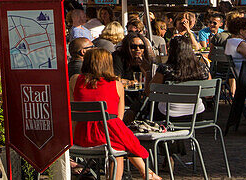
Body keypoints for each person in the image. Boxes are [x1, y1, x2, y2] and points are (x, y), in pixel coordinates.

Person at [70, 48, 159, 180]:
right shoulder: (116, 84)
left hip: (81, 135)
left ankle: (147, 173)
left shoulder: (75, 80)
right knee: (119, 144)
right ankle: (146, 172)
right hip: (106, 136)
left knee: (119, 140)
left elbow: (74, 111)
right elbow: (119, 118)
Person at [152, 34, 210, 118]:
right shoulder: (202, 68)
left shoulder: (165, 69)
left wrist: (147, 71)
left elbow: (149, 92)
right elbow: (209, 94)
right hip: (196, 113)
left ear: (171, 51)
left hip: (168, 114)